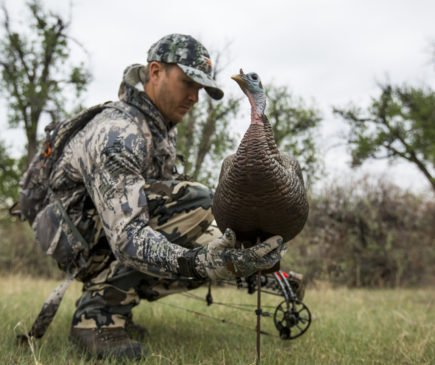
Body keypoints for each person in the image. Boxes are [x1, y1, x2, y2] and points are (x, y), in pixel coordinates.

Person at [32, 33, 287, 360]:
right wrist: (199, 260)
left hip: (103, 235)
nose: (195, 97)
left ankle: (117, 299)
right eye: (188, 83)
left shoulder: (160, 128)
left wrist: (233, 253)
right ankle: (98, 316)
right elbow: (128, 237)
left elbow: (158, 211)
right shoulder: (119, 133)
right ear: (155, 73)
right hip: (83, 241)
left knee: (209, 226)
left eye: (200, 89)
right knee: (197, 203)